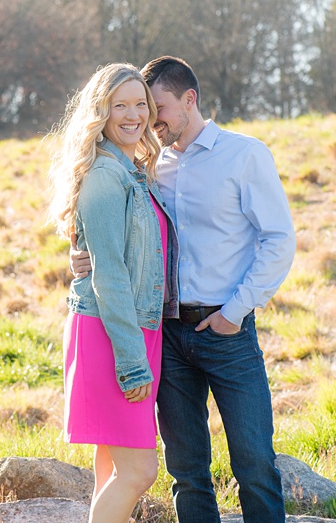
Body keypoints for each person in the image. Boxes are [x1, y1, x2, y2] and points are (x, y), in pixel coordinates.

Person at [70, 56, 296, 523]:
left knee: (253, 461)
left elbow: (279, 240)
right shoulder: (149, 166)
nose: (148, 119)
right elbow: (112, 230)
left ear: (190, 100)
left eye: (156, 107)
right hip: (167, 334)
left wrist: (235, 311)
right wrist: (80, 257)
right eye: (135, 108)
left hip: (227, 329)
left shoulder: (244, 154)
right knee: (187, 470)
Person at [48, 63, 178, 523]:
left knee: (111, 467)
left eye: (139, 104)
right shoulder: (106, 175)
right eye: (118, 105)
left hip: (134, 327)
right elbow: (110, 276)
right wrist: (130, 359)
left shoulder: (132, 170)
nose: (132, 115)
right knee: (139, 472)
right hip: (113, 333)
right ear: (99, 112)